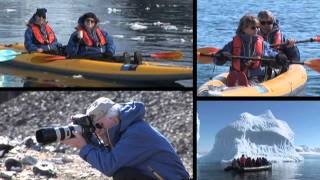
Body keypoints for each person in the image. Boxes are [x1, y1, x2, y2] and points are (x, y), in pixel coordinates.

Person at [62, 97, 190, 180]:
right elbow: (113, 157)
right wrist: (89, 139)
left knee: (123, 175)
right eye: (94, 128)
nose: (98, 131)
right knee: (123, 174)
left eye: (98, 126)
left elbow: (110, 165)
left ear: (113, 118)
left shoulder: (137, 133)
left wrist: (84, 146)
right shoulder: (125, 129)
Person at [214, 14, 286, 86]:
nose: (257, 30)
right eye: (253, 28)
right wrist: (221, 56)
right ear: (243, 29)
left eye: (258, 27)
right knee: (236, 80)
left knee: (251, 82)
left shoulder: (262, 44)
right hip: (237, 75)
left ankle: (246, 86)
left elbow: (271, 53)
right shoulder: (233, 44)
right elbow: (217, 61)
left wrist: (278, 56)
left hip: (257, 77)